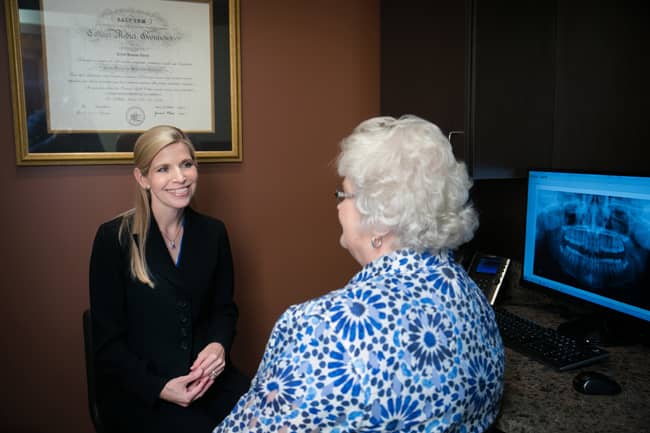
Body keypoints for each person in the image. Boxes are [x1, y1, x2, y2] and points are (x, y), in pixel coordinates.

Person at [214, 115, 505, 433]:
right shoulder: (473, 298)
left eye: (344, 195)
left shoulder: (321, 329)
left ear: (380, 221)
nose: (338, 206)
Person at [89, 125, 248, 433]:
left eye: (186, 164)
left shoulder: (213, 233)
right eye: (164, 169)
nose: (180, 178)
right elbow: (107, 345)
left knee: (271, 417)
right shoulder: (114, 239)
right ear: (143, 178)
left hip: (208, 383)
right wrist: (160, 387)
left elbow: (224, 310)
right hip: (144, 390)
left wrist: (218, 345)